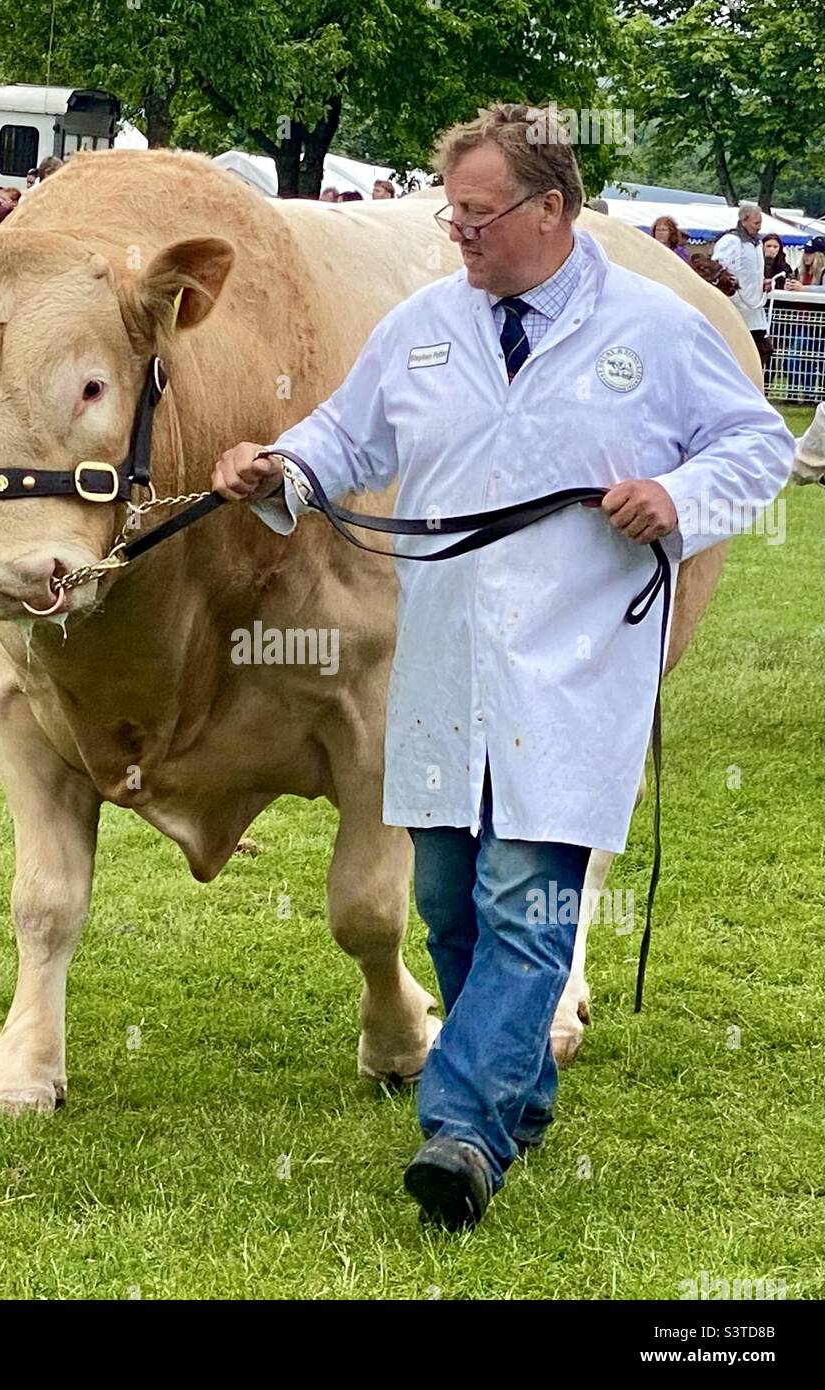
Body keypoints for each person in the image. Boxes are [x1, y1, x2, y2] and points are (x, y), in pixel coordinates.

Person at [211, 102, 793, 1232]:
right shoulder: (426, 325)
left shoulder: (654, 329)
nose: (458, 236)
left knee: (528, 901)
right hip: (444, 659)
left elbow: (758, 442)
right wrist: (274, 466)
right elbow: (344, 443)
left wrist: (675, 497)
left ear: (551, 209)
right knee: (446, 898)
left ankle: (465, 1125)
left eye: (477, 217)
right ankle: (521, 1089)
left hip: (577, 660)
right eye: (452, 215)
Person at [714, 203, 771, 372]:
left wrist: (763, 282)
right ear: (744, 221)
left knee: (761, 351)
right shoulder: (731, 241)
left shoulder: (758, 244)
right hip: (735, 306)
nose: (759, 227)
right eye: (755, 223)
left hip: (753, 307)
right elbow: (718, 267)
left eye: (760, 223)